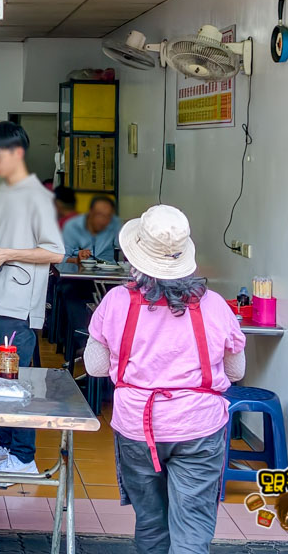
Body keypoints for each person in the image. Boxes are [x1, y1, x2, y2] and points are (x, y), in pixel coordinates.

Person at [83, 204, 246, 554]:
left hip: (138, 429)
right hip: (199, 428)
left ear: (135, 258)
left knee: (151, 522)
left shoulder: (117, 302)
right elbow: (236, 371)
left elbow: (95, 366)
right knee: (192, 527)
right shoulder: (215, 305)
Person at [0, 122, 64, 484]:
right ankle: (2, 445)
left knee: (16, 379)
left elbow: (55, 252)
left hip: (18, 303)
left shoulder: (38, 197)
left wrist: (5, 253)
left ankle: (23, 458)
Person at [59, 196, 122, 273]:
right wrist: (77, 260)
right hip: (77, 274)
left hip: (105, 272)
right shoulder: (73, 226)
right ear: (91, 212)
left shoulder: (114, 224)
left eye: (108, 216)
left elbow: (123, 245)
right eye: (99, 214)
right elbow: (61, 257)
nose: (103, 220)